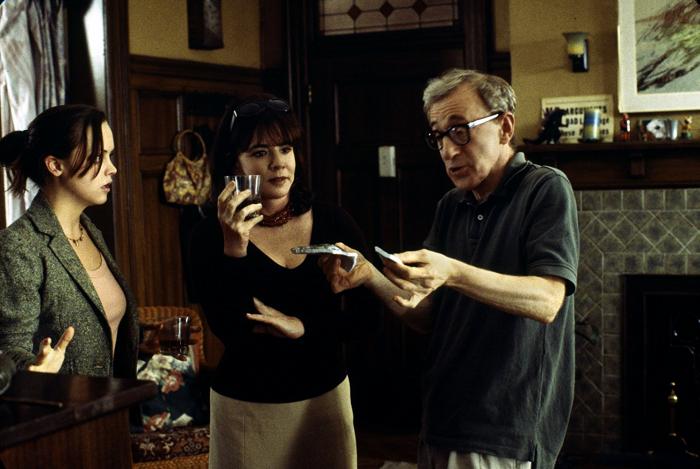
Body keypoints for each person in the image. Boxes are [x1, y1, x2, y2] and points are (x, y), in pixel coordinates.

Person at [319, 69, 580, 469]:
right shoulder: (451, 204)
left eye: (460, 131)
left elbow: (547, 301)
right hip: (441, 417)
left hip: (503, 429)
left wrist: (453, 272)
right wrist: (369, 275)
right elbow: (427, 316)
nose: (447, 150)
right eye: (438, 136)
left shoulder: (544, 188)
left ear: (505, 127)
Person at [188, 95, 377, 469]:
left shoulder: (333, 221)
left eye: (285, 148)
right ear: (234, 163)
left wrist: (303, 327)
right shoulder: (207, 235)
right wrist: (234, 248)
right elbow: (229, 328)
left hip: (324, 398)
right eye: (260, 152)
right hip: (246, 404)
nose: (278, 163)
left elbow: (369, 319)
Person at [0, 104, 138, 378]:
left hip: (116, 401)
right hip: (62, 402)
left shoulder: (89, 230)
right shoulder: (18, 245)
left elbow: (99, 323)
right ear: (55, 165)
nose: (112, 169)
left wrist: (141, 340)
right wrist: (32, 366)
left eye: (110, 156)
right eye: (98, 157)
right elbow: (9, 348)